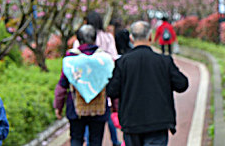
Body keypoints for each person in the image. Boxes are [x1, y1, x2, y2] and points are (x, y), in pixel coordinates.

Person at [107, 21, 189, 146]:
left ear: (131, 38)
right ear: (150, 36)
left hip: (131, 123)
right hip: (158, 121)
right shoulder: (164, 61)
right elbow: (182, 84)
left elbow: (112, 91)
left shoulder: (122, 63)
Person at [54, 24, 114, 146]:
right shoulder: (105, 59)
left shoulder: (70, 58)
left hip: (76, 108)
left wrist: (58, 106)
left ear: (78, 39)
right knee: (96, 140)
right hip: (99, 108)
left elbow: (62, 85)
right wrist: (115, 106)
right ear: (95, 38)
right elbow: (112, 84)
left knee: (76, 139)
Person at [74, 11, 121, 145]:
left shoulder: (82, 37)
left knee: (89, 112)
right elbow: (114, 57)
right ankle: (115, 140)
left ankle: (90, 142)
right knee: (105, 111)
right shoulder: (108, 37)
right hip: (104, 80)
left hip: (86, 81)